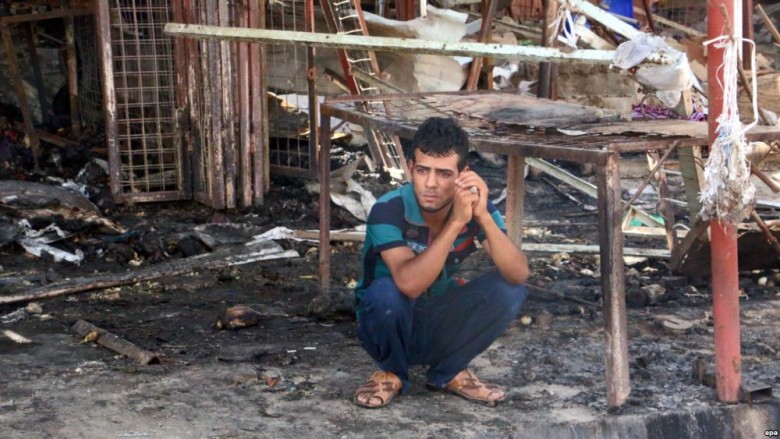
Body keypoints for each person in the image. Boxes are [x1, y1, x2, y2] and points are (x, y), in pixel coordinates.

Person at [352, 116, 530, 408]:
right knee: (387, 294)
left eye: (444, 174)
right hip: (386, 322)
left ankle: (448, 372)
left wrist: (482, 215)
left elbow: (518, 272)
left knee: (510, 289)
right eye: (423, 170)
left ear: (463, 175)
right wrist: (456, 223)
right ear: (410, 168)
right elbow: (408, 286)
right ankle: (392, 373)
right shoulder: (388, 209)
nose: (431, 184)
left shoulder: (475, 208)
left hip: (438, 319)